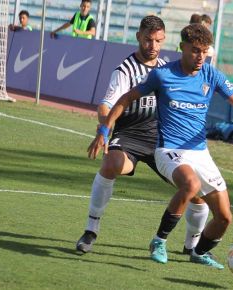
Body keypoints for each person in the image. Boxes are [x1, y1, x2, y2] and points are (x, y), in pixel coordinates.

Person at [87, 24, 233, 269]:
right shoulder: (163, 75)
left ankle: (199, 252)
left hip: (199, 152)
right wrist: (105, 129)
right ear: (182, 48)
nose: (200, 56)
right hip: (169, 150)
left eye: (204, 51)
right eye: (195, 50)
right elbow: (125, 99)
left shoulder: (211, 74)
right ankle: (159, 241)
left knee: (224, 217)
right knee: (191, 184)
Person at [76, 16, 210, 256]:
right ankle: (91, 229)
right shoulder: (125, 70)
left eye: (158, 41)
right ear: (139, 36)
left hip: (163, 139)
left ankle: (193, 246)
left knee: (196, 192)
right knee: (112, 163)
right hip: (129, 136)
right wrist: (104, 128)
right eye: (148, 40)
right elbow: (106, 106)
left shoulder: (169, 69)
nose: (153, 46)